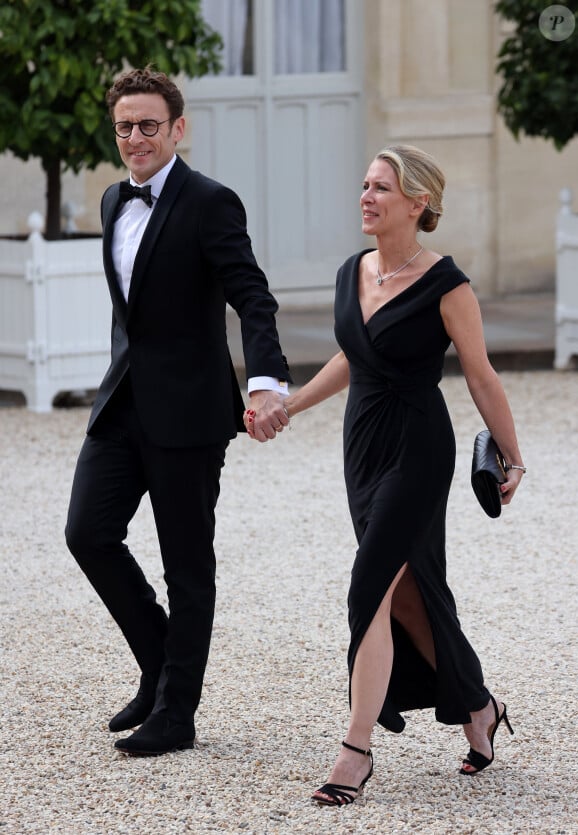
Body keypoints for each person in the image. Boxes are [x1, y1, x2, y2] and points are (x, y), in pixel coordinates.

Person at [246, 145, 525, 805]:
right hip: (363, 447)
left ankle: (355, 748)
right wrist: (290, 404)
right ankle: (478, 706)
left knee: (368, 585)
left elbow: (481, 374)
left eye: (380, 188)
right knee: (408, 593)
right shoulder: (353, 271)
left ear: (417, 201)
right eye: (365, 185)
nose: (366, 197)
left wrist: (514, 456)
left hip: (419, 448)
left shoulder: (446, 283)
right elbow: (354, 355)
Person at [65, 67, 291, 756]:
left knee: (187, 564)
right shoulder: (111, 201)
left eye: (149, 126)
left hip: (190, 412)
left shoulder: (211, 203)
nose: (136, 137)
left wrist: (266, 381)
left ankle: (176, 711)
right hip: (123, 400)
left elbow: (253, 298)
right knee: (88, 532)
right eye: (125, 127)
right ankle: (161, 666)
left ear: (178, 129)